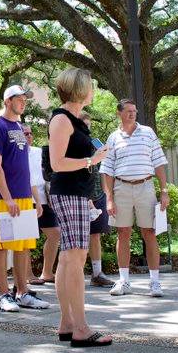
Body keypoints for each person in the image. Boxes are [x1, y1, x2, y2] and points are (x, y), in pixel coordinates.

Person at [48, 68, 113, 347]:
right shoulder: (62, 120)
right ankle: (81, 329)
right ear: (79, 89)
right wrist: (92, 160)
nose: (93, 90)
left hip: (75, 193)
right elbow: (57, 164)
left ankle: (67, 324)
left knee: (68, 258)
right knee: (75, 258)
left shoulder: (73, 119)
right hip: (69, 193)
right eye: (91, 86)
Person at [0, 84, 50, 312]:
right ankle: (4, 294)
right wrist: (8, 198)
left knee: (23, 247)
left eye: (25, 99)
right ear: (7, 101)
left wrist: (35, 199)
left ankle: (22, 292)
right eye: (19, 98)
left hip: (24, 197)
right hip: (5, 199)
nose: (24, 102)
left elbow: (25, 167)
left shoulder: (20, 127)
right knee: (2, 247)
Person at [100, 99, 170, 297]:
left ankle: (155, 282)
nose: (132, 114)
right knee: (123, 233)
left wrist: (164, 191)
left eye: (134, 110)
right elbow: (107, 171)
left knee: (149, 232)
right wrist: (109, 199)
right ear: (119, 113)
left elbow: (159, 163)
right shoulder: (113, 138)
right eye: (128, 111)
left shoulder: (148, 133)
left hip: (146, 187)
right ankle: (124, 281)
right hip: (121, 188)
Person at [80, 112, 114, 288]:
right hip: (81, 197)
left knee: (95, 235)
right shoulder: (74, 145)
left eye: (89, 125)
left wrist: (107, 194)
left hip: (98, 196)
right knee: (79, 237)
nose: (87, 128)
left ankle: (97, 273)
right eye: (83, 124)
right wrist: (86, 197)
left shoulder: (96, 144)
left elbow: (103, 170)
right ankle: (75, 274)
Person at [27, 125, 58, 286]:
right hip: (26, 200)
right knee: (27, 239)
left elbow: (48, 172)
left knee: (55, 234)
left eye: (30, 133)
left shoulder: (39, 152)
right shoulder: (14, 154)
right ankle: (28, 274)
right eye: (25, 133)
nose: (29, 136)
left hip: (44, 199)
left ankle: (47, 272)